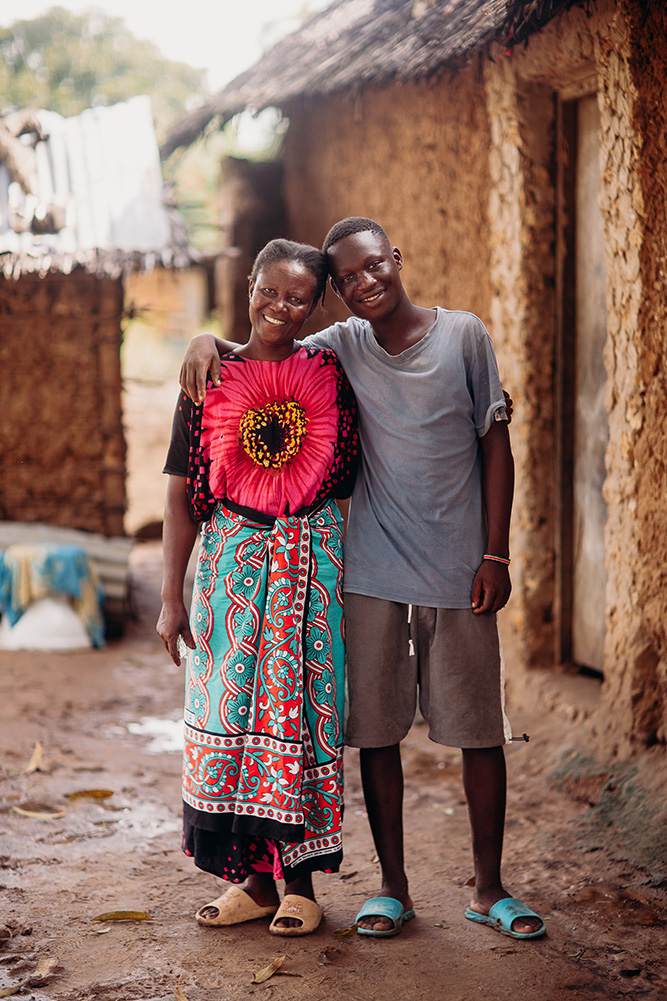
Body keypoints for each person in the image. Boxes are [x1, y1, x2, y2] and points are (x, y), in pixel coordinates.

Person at [179, 217, 546, 941]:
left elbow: (493, 442)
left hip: (458, 569)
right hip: (371, 570)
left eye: (371, 266)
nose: (363, 283)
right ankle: (391, 887)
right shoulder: (340, 346)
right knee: (376, 733)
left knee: (478, 732)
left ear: (395, 258)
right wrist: (206, 342)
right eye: (345, 280)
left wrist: (495, 553)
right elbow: (265, 343)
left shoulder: (463, 335)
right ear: (335, 296)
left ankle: (489, 886)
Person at [158, 238, 358, 937]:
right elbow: (183, 493)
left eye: (297, 297)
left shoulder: (327, 371)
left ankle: (300, 881)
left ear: (314, 305)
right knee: (229, 709)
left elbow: (348, 473)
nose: (280, 306)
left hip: (308, 569)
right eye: (268, 290)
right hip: (230, 571)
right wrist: (170, 595)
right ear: (248, 284)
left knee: (298, 715)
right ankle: (251, 881)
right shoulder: (205, 373)